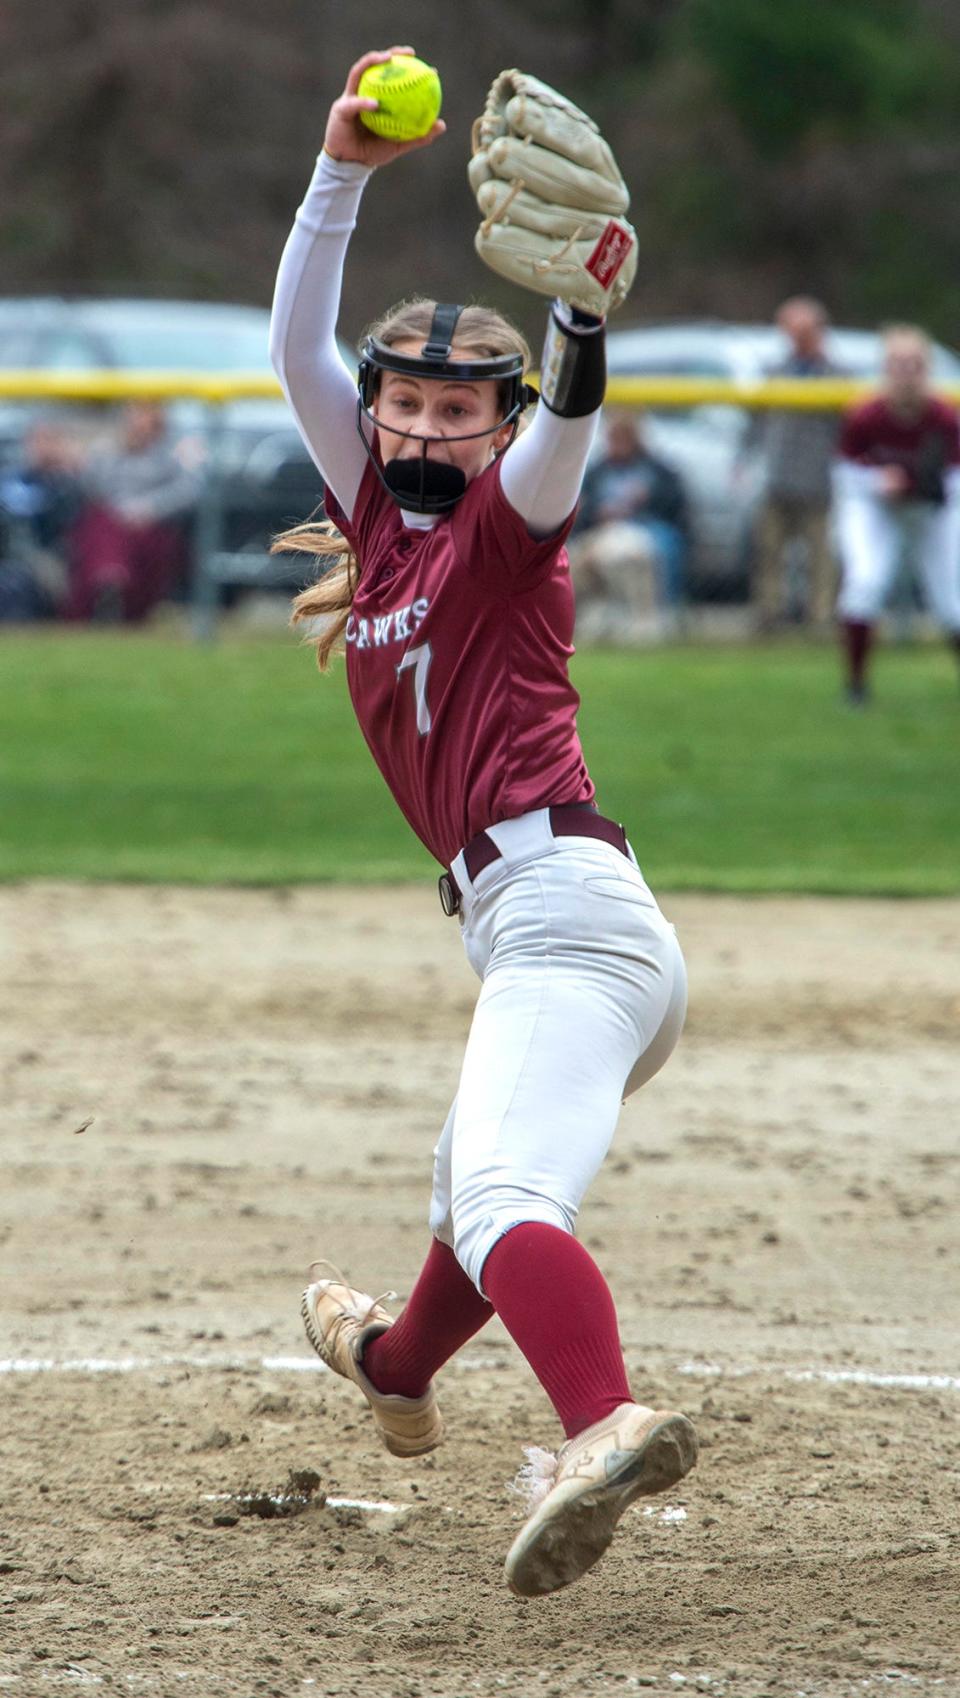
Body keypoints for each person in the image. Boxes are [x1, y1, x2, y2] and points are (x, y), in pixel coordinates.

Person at [268, 48, 698, 1600]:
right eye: (408, 405)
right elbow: (293, 347)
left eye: (462, 410)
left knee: (507, 1195)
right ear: (374, 421)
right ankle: (392, 1361)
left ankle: (602, 1422)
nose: (431, 430)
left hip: (570, 920)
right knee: (471, 1187)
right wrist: (342, 172)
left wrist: (582, 317)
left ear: (495, 424)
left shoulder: (514, 530)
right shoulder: (380, 524)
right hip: (547, 927)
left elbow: (569, 429)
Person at [834, 324, 960, 704]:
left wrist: (925, 485)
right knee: (865, 583)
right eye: (897, 364)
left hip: (931, 510)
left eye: (914, 364)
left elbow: (954, 479)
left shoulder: (944, 418)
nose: (905, 373)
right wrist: (878, 482)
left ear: (927, 368)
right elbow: (843, 472)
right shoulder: (867, 415)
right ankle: (856, 686)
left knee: (951, 599)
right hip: (878, 509)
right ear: (885, 368)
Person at [750, 296, 844, 633]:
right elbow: (756, 424)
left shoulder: (836, 375)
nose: (796, 338)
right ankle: (770, 615)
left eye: (804, 331)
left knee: (819, 555)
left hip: (817, 479)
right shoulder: (775, 372)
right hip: (777, 477)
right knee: (769, 550)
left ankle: (819, 618)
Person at [64, 401, 198, 623]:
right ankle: (109, 583)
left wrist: (150, 508)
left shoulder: (171, 454)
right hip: (109, 524)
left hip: (150, 527)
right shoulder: (105, 452)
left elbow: (187, 491)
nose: (138, 424)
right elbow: (90, 489)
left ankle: (113, 587)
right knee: (103, 527)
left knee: (127, 538)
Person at [570, 410, 691, 642]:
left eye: (623, 438)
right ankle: (590, 616)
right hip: (602, 533)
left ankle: (643, 621)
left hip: (643, 530)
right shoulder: (598, 471)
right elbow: (582, 511)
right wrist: (599, 511)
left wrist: (643, 501)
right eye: (613, 438)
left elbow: (675, 506)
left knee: (627, 552)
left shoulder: (655, 469)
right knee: (578, 557)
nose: (617, 444)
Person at [0, 419, 83, 620]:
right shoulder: (11, 479)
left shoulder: (67, 484)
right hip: (9, 554)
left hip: (49, 556)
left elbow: (69, 527)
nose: (42, 447)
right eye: (37, 440)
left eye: (49, 440)